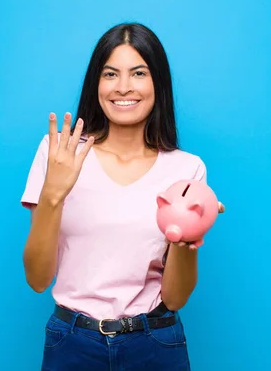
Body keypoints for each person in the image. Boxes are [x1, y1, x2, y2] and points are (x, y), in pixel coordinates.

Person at [20, 22, 225, 371]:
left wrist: (187, 240)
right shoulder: (60, 153)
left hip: (154, 342)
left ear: (157, 83)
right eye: (111, 74)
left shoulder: (186, 171)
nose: (124, 87)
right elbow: (38, 279)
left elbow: (175, 298)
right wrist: (53, 194)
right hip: (72, 342)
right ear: (96, 83)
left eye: (139, 73)